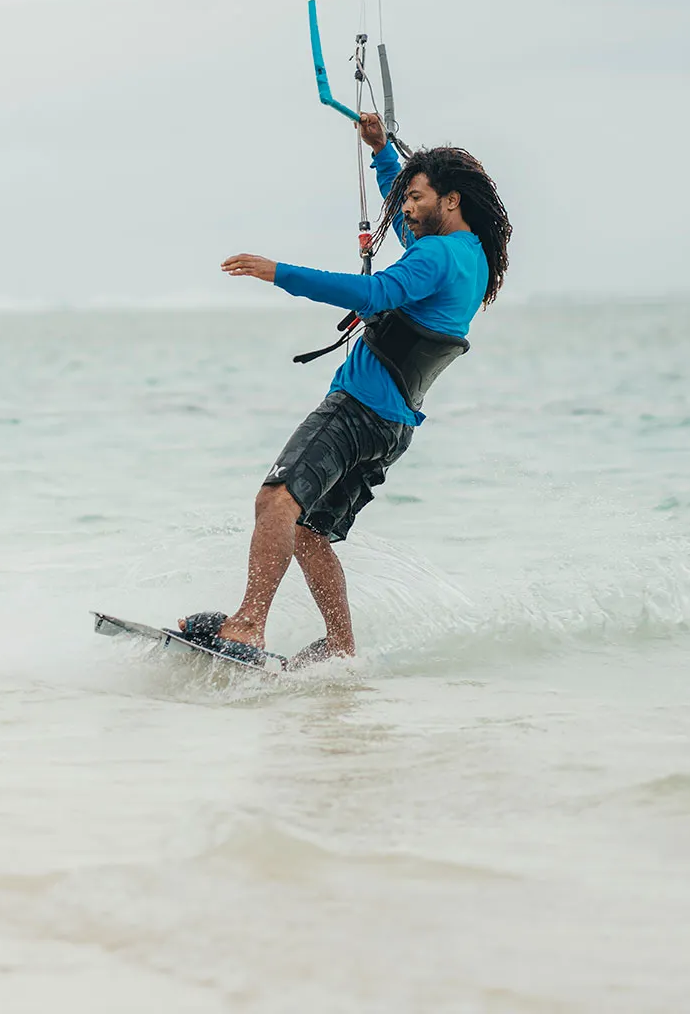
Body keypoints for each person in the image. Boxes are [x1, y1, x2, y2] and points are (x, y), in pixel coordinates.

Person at [182, 112, 512, 669]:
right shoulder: (468, 256)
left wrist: (277, 272)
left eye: (417, 198)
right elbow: (404, 227)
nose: (406, 208)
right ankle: (339, 644)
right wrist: (382, 153)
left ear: (451, 200)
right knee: (309, 531)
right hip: (393, 427)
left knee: (276, 499)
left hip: (358, 408)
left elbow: (373, 293)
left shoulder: (434, 256)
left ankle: (248, 624)